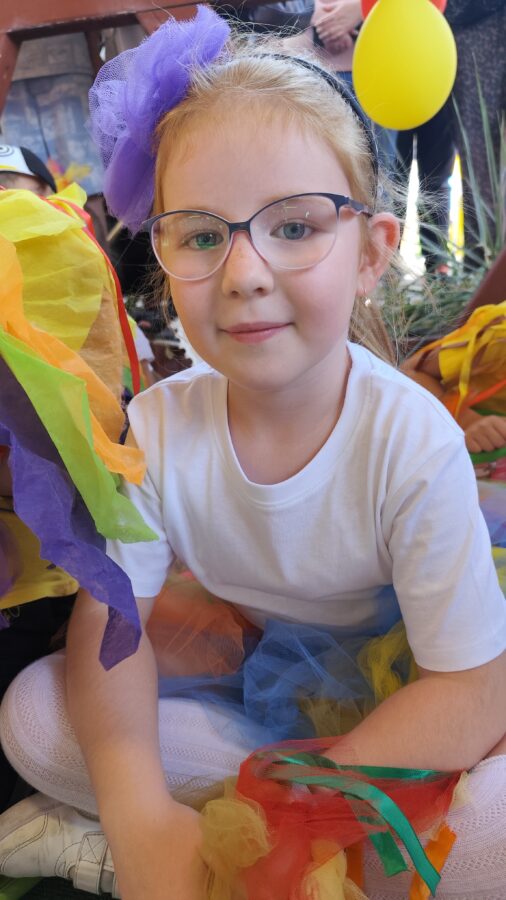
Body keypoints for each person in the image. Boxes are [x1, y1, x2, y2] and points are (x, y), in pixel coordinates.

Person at [0, 9, 505, 900]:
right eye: (202, 235)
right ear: (164, 257)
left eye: (296, 227)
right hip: (256, 680)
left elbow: (467, 687)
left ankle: (188, 858)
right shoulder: (158, 428)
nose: (243, 274)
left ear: (371, 254)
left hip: (411, 696)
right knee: (33, 717)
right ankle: (154, 846)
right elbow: (111, 630)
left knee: (485, 834)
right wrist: (137, 809)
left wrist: (289, 817)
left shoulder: (410, 438)